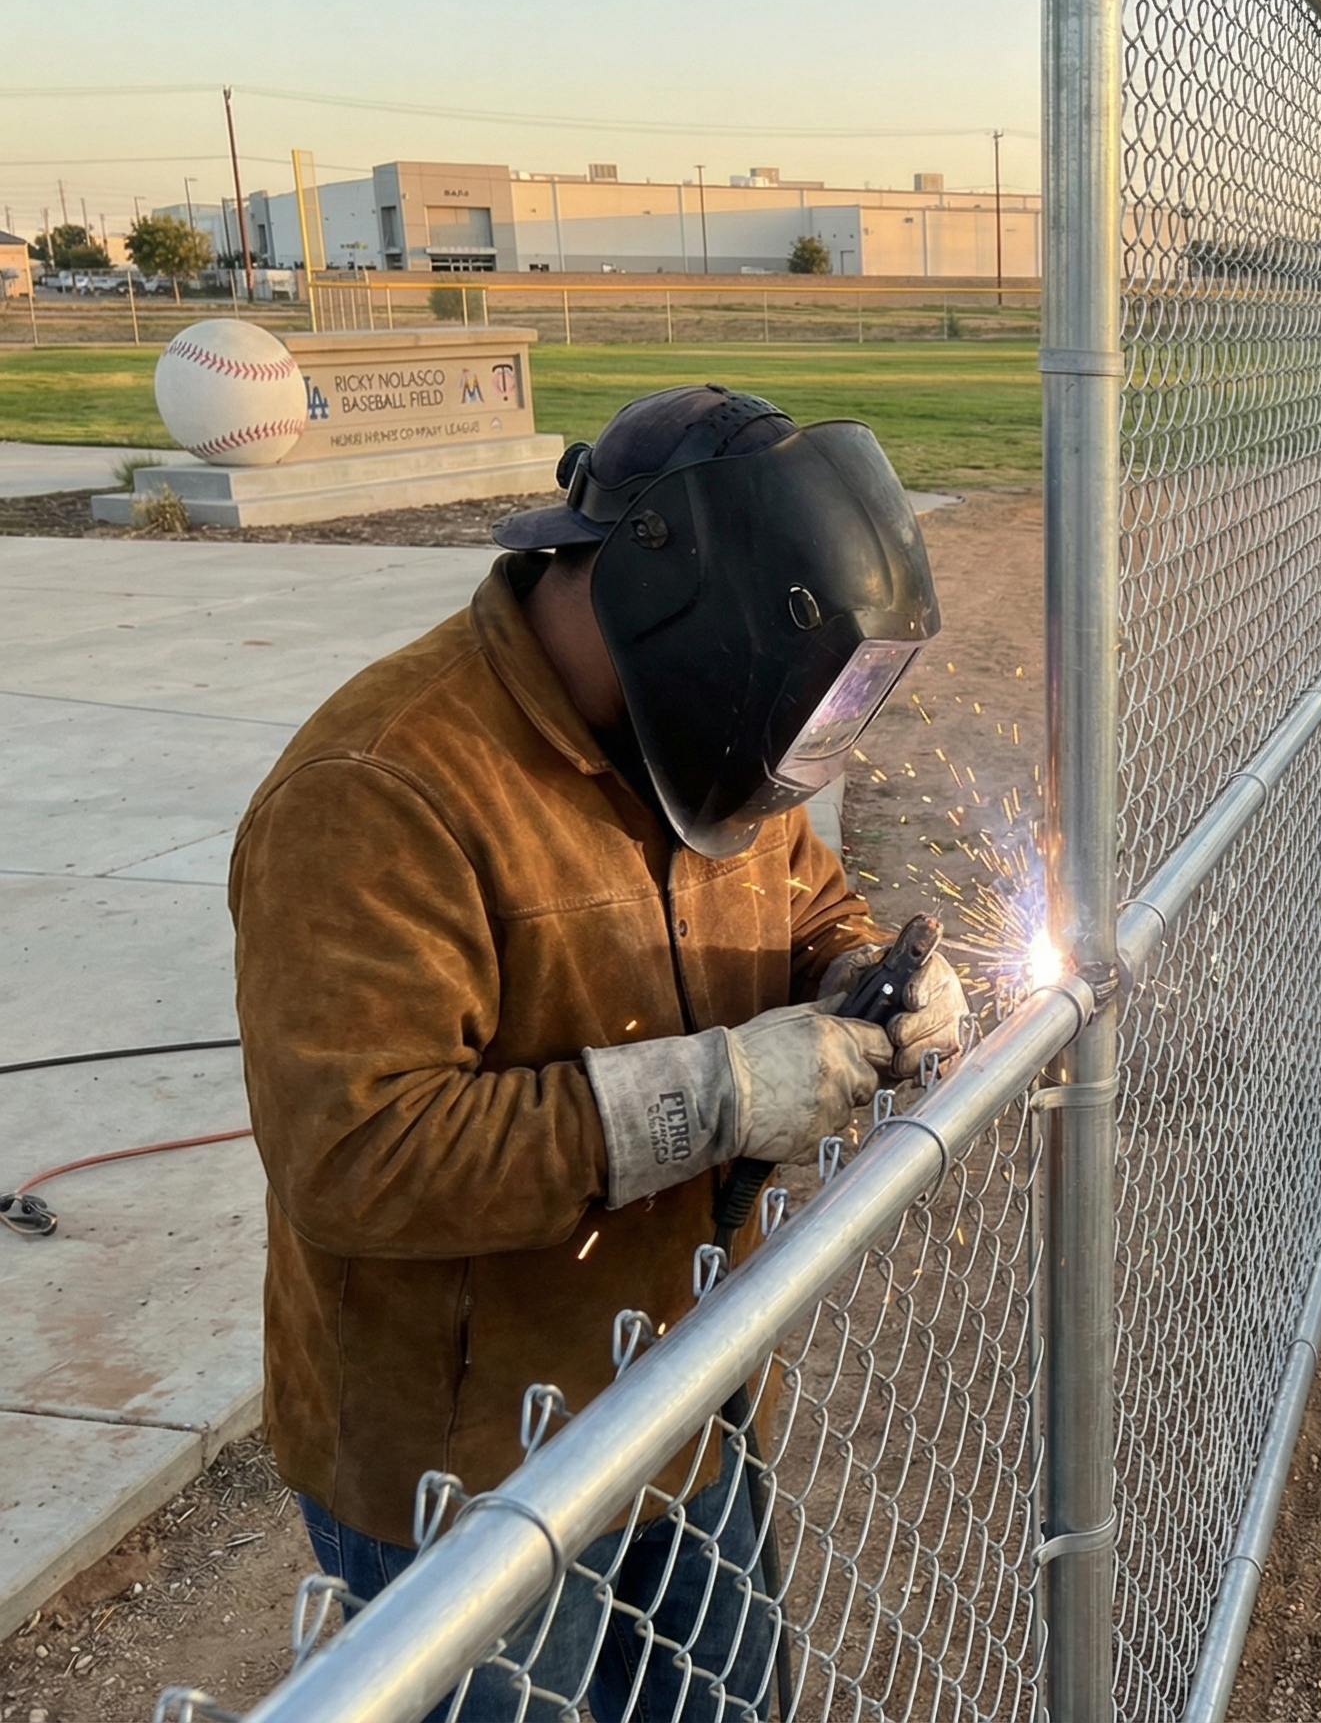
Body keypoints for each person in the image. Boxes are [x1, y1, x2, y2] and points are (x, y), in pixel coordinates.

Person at [228, 385, 968, 1718]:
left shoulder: (702, 741)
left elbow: (806, 892)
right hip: (467, 1482)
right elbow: (358, 1158)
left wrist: (859, 974)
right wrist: (720, 1094)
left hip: (684, 1398)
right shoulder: (380, 788)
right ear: (667, 606)